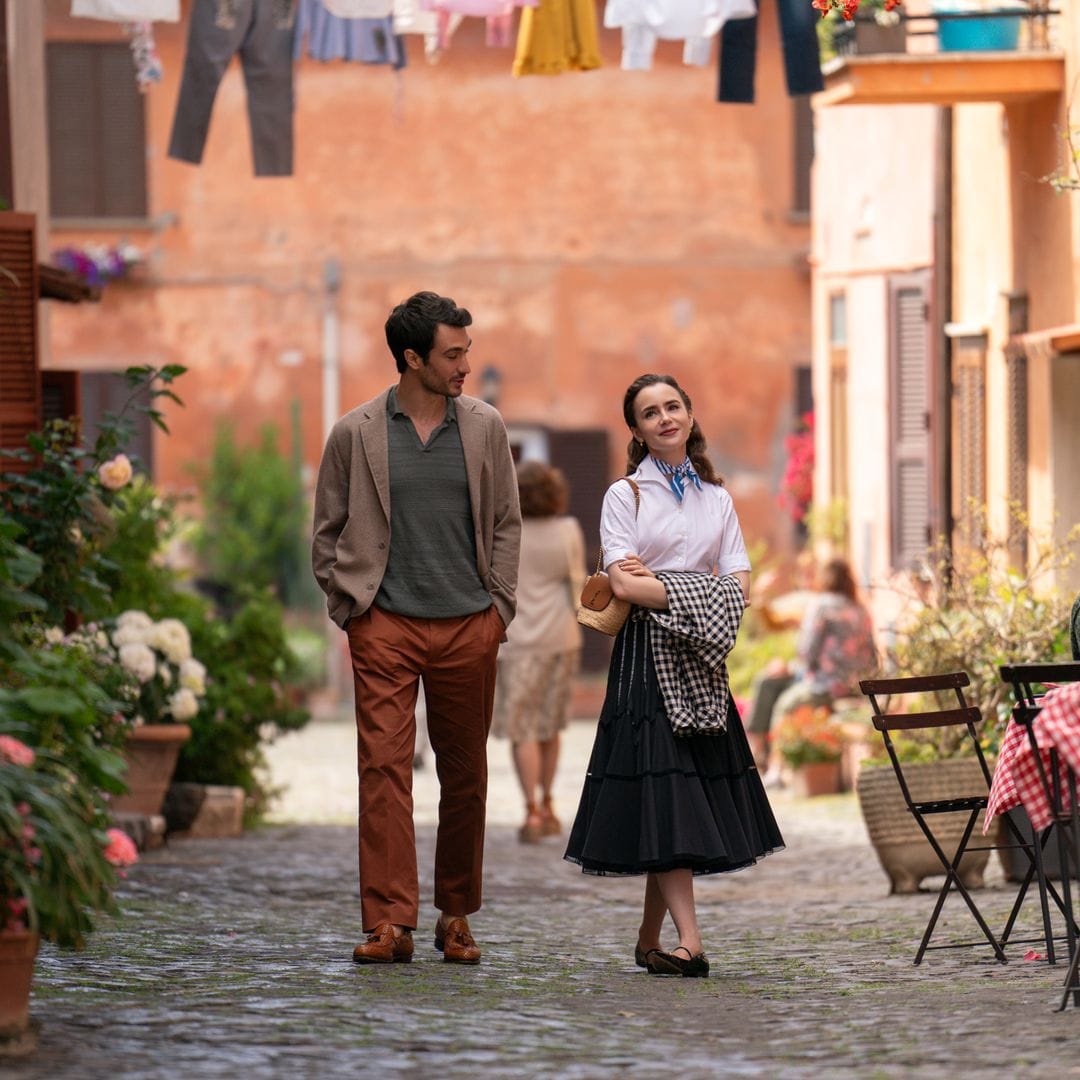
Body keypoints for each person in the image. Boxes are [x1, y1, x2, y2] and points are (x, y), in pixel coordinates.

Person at [311, 291, 521, 966]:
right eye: (453, 353)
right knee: (383, 769)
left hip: (469, 624)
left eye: (467, 350)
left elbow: (506, 525)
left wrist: (499, 611)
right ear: (412, 358)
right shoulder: (356, 432)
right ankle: (389, 922)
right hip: (386, 625)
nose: (466, 365)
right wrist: (353, 612)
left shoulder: (484, 427)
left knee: (465, 775)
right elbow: (327, 531)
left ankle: (454, 915)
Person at [564, 373, 784, 978]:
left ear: (689, 414)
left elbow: (739, 585)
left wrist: (663, 585)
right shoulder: (624, 496)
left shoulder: (717, 498)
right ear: (635, 429)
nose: (664, 418)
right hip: (644, 661)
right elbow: (623, 583)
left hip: (701, 660)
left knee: (680, 792)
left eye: (673, 407)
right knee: (671, 789)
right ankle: (691, 941)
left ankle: (648, 937)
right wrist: (698, 590)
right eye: (649, 412)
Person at [492, 461, 585, 844]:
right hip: (561, 637)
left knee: (522, 729)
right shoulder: (568, 530)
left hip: (515, 641)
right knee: (550, 725)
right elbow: (578, 586)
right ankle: (548, 804)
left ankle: (529, 809)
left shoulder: (506, 534)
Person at [759, 556, 877, 787]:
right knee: (774, 685)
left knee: (786, 703)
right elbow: (873, 656)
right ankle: (767, 764)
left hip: (825, 686)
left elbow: (806, 650)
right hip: (857, 688)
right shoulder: (861, 610)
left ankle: (775, 769)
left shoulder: (820, 605)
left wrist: (794, 667)